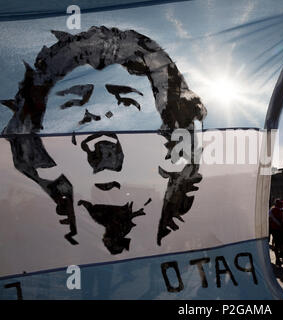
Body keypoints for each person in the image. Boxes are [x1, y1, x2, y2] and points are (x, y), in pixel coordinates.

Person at [2, 26, 207, 254]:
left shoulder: (209, 248)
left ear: (170, 134)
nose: (100, 139)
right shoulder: (22, 254)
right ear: (38, 145)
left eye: (127, 104)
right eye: (71, 108)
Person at [269, 199, 283, 266]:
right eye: (280, 203)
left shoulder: (278, 209)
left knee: (281, 244)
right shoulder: (275, 210)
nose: (282, 205)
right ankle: (280, 259)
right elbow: (282, 219)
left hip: (279, 229)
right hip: (278, 230)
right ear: (277, 204)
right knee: (280, 244)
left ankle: (281, 259)